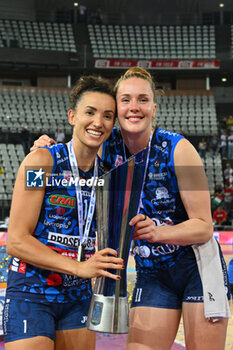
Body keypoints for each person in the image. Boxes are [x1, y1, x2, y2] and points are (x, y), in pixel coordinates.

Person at [31, 68, 230, 350]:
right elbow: (71, 156)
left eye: (142, 100)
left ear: (154, 107)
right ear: (116, 108)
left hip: (197, 267)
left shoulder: (179, 149)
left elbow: (204, 226)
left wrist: (159, 232)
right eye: (125, 100)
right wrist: (45, 147)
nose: (134, 107)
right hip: (152, 272)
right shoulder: (104, 147)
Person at [3, 75, 124, 350]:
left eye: (107, 116)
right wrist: (79, 267)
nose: (98, 122)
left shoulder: (108, 176)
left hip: (79, 295)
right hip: (32, 291)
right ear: (72, 116)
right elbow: (17, 240)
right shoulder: (41, 161)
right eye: (89, 112)